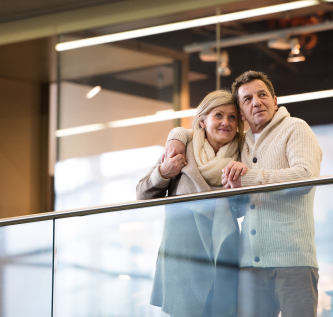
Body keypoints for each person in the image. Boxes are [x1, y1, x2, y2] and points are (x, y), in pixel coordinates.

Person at [164, 71, 322, 317]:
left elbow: (305, 177)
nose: (256, 102)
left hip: (292, 261)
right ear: (241, 113)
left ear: (275, 100)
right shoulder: (242, 143)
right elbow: (202, 130)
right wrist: (176, 135)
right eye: (247, 99)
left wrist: (247, 179)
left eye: (262, 95)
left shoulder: (296, 128)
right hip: (249, 266)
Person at [137, 90, 244, 317]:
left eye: (232, 117)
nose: (226, 122)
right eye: (218, 115)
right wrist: (163, 172)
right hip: (183, 258)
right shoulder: (182, 147)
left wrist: (238, 191)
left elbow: (244, 208)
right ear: (202, 121)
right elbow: (142, 194)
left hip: (223, 254)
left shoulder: (243, 153)